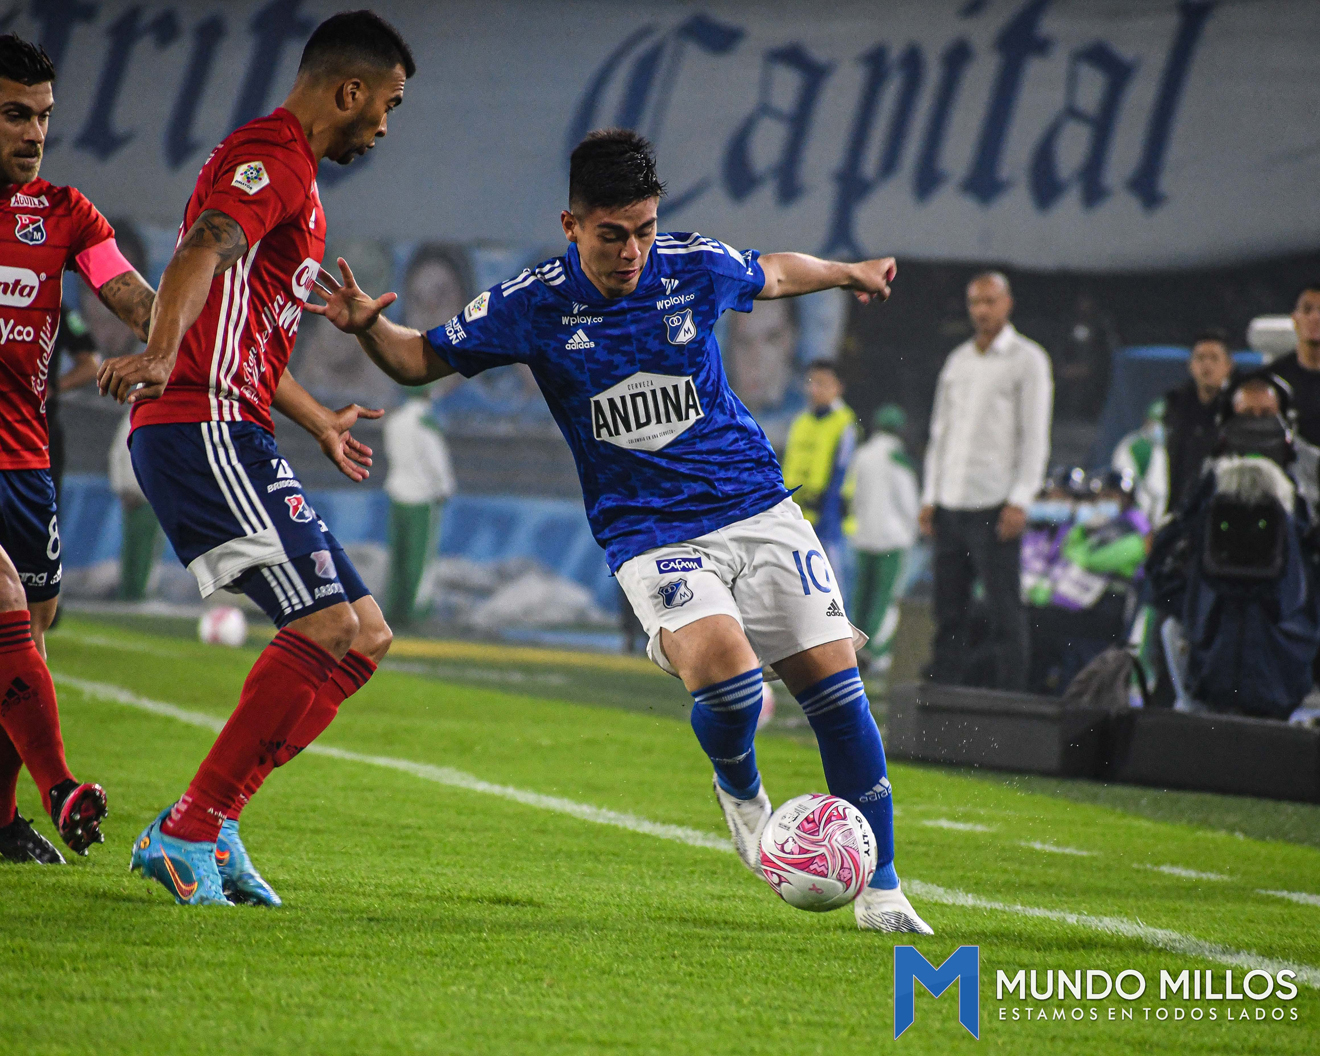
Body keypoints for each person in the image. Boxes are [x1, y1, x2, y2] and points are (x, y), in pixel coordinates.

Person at [309, 129, 933, 933]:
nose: (633, 249)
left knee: (840, 696)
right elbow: (419, 359)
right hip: (649, 530)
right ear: (571, 224)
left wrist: (846, 273)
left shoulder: (690, 264)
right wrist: (366, 326)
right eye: (613, 234)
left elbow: (774, 272)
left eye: (643, 228)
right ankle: (740, 789)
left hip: (757, 504)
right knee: (733, 681)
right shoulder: (528, 303)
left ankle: (881, 887)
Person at [96, 11, 414, 906]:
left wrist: (314, 418)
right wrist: (160, 356)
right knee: (320, 627)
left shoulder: (298, 178)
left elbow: (246, 332)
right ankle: (191, 825)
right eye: (386, 104)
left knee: (365, 633)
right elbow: (204, 247)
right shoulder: (270, 158)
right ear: (348, 91)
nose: (385, 125)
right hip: (200, 425)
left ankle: (215, 822)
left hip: (241, 424)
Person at [0, 34, 158, 864]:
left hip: (27, 465)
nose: (33, 134)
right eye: (14, 116)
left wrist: (189, 340)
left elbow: (133, 299)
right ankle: (61, 787)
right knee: (3, 607)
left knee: (29, 629)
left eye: (43, 118)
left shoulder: (65, 213)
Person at [919, 272, 1052, 691]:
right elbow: (941, 433)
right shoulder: (958, 360)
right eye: (975, 302)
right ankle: (940, 706)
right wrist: (930, 496)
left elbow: (1035, 437)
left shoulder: (1027, 359)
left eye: (990, 301)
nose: (981, 310)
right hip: (951, 503)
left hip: (996, 505)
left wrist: (1020, 500)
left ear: (1007, 303)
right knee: (947, 614)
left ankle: (1008, 705)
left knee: (1003, 614)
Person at [843, 404, 918, 677]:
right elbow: (908, 502)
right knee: (885, 599)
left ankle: (854, 649)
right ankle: (877, 654)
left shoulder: (861, 454)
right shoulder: (897, 458)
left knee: (861, 596)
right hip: (892, 540)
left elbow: (852, 493)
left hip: (862, 537)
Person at [781, 361, 858, 575]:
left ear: (837, 387)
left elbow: (841, 473)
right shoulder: (800, 422)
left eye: (822, 383)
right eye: (811, 382)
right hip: (795, 517)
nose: (814, 389)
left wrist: (828, 519)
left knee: (832, 584)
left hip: (828, 521)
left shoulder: (844, 424)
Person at [1163, 328, 1235, 512]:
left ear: (1228, 366)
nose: (1207, 365)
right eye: (1201, 358)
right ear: (1191, 365)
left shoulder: (1238, 407)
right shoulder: (1177, 405)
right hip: (1184, 506)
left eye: (1214, 358)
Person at [1263, 283, 1320, 513]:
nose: (1315, 317)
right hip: (1289, 500)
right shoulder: (1272, 381)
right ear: (1295, 319)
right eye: (1307, 310)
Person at [1112, 398, 1169, 525]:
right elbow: (1124, 486)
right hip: (1136, 516)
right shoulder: (1134, 446)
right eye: (1156, 422)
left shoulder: (1168, 448)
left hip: (1159, 516)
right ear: (1147, 421)